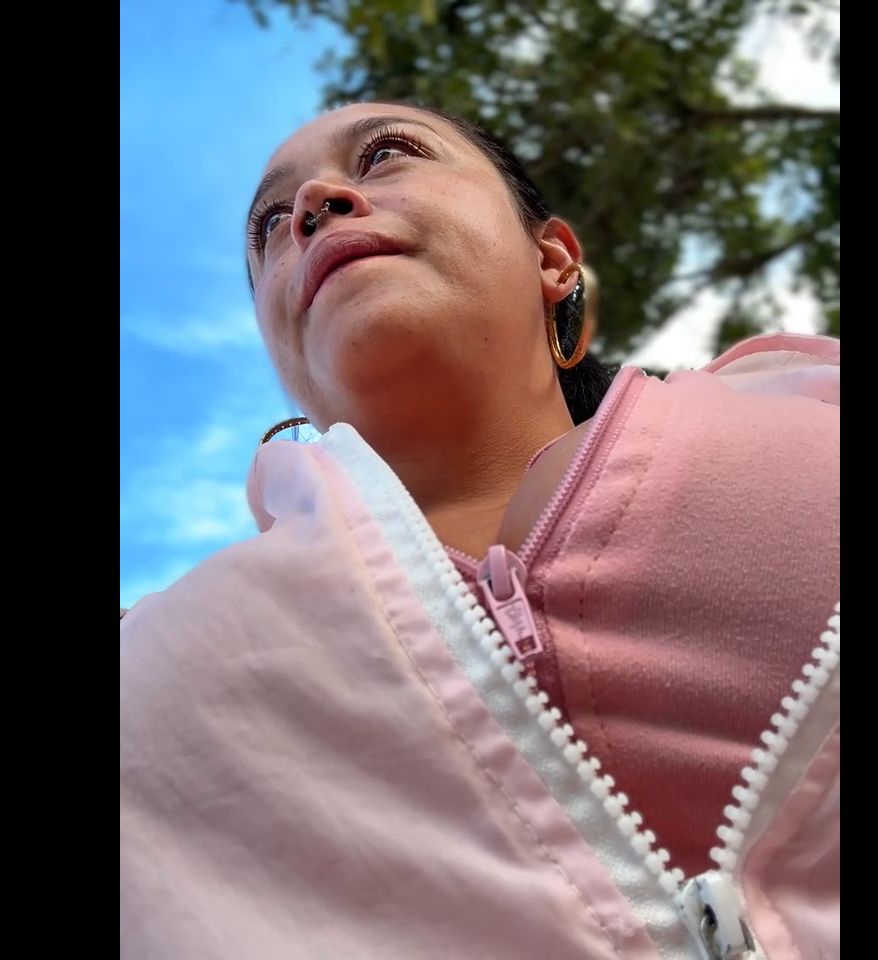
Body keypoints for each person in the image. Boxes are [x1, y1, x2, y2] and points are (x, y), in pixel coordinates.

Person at [120, 101, 839, 960]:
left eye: (386, 154)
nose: (311, 204)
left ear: (553, 261)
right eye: (270, 226)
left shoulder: (813, 403)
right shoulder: (147, 666)